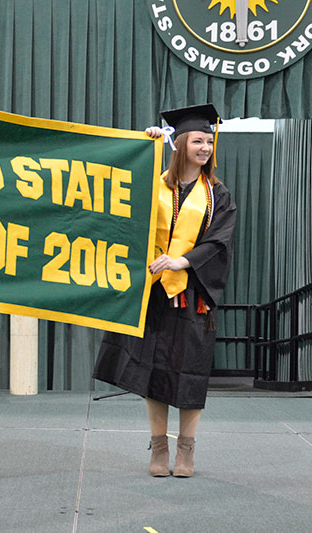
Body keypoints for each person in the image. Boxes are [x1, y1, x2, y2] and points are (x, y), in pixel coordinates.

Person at [92, 104, 237, 478]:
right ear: (182, 142)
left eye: (209, 141)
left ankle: (185, 451)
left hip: (193, 294)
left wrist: (181, 262)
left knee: (190, 374)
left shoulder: (217, 194)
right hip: (153, 293)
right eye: (198, 140)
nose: (205, 147)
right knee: (153, 373)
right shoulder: (154, 183)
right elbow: (124, 210)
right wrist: (147, 147)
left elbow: (219, 242)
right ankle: (159, 447)